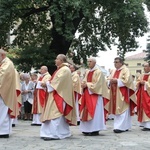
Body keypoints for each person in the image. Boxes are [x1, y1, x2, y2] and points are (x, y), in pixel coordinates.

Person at [40, 54, 77, 140]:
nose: (55, 61)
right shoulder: (60, 69)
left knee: (55, 114)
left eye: (57, 59)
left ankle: (54, 134)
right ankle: (62, 132)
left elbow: (57, 81)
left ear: (61, 60)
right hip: (56, 93)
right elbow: (54, 80)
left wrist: (46, 84)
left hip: (60, 95)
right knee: (56, 114)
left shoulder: (64, 69)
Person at [79, 57, 109, 136]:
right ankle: (86, 129)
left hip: (95, 95)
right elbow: (85, 81)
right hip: (87, 94)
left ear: (95, 63)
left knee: (96, 112)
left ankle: (95, 129)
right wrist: (83, 84)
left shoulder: (98, 72)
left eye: (90, 61)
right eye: (88, 61)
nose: (89, 63)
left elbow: (98, 84)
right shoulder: (88, 72)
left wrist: (87, 85)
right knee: (86, 111)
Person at [108, 57, 136, 133]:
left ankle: (120, 127)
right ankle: (123, 126)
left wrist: (116, 80)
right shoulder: (113, 71)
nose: (115, 64)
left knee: (122, 109)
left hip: (122, 93)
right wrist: (110, 81)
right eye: (114, 62)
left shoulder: (126, 70)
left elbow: (128, 81)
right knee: (117, 109)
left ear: (121, 63)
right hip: (114, 92)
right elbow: (109, 79)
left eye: (116, 62)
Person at [0, 48, 20, 138]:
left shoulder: (7, 63)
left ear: (2, 55)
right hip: (3, 91)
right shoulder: (4, 63)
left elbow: (2, 76)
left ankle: (3, 132)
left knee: (2, 111)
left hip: (4, 92)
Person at [136, 62, 150, 131]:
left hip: (148, 94)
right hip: (142, 94)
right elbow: (137, 82)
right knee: (142, 107)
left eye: (146, 66)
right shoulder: (142, 75)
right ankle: (144, 124)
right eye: (144, 66)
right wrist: (139, 83)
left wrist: (146, 83)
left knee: (148, 107)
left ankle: (148, 125)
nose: (144, 68)